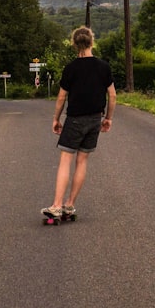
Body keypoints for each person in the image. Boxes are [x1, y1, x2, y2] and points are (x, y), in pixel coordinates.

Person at [42, 26, 116, 222]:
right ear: (92, 42)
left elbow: (61, 98)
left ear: (74, 44)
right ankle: (69, 204)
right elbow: (113, 95)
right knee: (82, 161)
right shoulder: (103, 67)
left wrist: (56, 119)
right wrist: (108, 118)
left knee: (66, 160)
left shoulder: (71, 68)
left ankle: (57, 206)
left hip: (75, 119)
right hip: (94, 119)